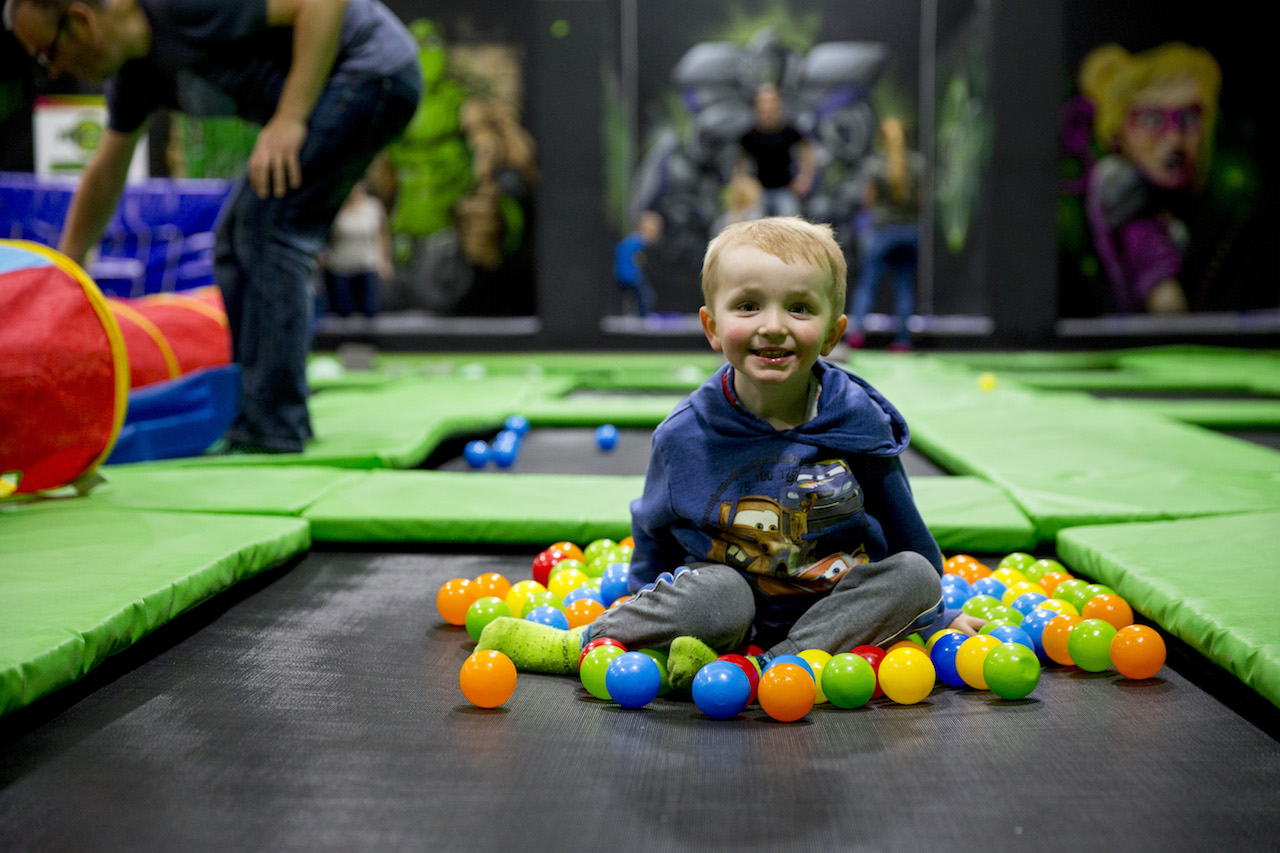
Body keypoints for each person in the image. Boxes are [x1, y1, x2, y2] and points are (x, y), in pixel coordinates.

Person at [477, 217, 983, 690]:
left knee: (916, 574)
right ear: (712, 326)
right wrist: (646, 612)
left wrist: (935, 610)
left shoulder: (857, 419)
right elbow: (653, 528)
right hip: (730, 599)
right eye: (748, 306)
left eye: (800, 308)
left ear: (832, 332)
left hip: (833, 607)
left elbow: (903, 524)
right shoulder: (685, 435)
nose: (773, 325)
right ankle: (577, 645)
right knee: (718, 596)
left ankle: (770, 667)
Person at [3, 0, 422, 453]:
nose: (53, 71)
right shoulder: (136, 74)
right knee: (234, 237)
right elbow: (105, 173)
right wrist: (65, 274)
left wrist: (291, 118)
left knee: (269, 228)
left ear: (80, 21)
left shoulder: (186, 6)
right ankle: (253, 415)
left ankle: (275, 425)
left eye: (48, 53)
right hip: (342, 85)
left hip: (370, 68)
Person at [1077, 42, 1221, 314]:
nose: (1175, 139)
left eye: (1189, 117)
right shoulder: (1126, 193)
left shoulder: (1171, 197)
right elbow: (1166, 303)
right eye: (1152, 121)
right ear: (1118, 129)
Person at [846, 117, 924, 351]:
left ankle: (856, 333)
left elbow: (868, 200)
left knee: (868, 284)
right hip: (910, 232)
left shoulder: (875, 165)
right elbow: (921, 201)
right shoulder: (918, 164)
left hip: (883, 232)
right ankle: (902, 340)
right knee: (904, 286)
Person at [737, 83, 815, 218]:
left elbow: (807, 149)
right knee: (751, 222)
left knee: (790, 223)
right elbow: (741, 162)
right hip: (759, 191)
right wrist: (744, 182)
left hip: (785, 189)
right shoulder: (749, 135)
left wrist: (805, 177)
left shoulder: (789, 131)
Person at [320, 180, 391, 318]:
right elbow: (323, 234)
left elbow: (381, 235)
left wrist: (384, 260)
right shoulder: (336, 206)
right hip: (340, 266)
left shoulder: (373, 206)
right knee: (343, 311)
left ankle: (368, 339)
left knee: (369, 310)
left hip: (367, 264)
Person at [612, 210, 662, 317]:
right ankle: (643, 318)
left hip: (622, 274)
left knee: (637, 298)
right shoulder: (639, 242)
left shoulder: (631, 241)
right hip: (630, 276)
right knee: (647, 298)